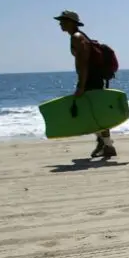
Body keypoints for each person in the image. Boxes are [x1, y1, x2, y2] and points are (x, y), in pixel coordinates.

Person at [54, 10, 117, 159]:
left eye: (63, 21)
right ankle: (103, 143)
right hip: (92, 79)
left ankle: (108, 145)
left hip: (90, 80)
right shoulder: (79, 37)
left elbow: (83, 64)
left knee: (97, 113)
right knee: (92, 112)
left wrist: (81, 85)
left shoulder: (77, 37)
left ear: (71, 22)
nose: (60, 23)